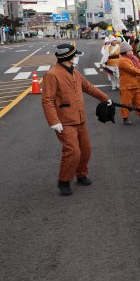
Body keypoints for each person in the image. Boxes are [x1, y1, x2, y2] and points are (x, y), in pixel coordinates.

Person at [41, 44, 111, 196]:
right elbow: (47, 100)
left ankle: (81, 174)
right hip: (64, 120)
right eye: (75, 55)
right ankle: (64, 180)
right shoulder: (52, 75)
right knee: (72, 151)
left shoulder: (75, 72)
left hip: (80, 118)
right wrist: (53, 121)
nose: (77, 57)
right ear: (68, 57)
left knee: (86, 150)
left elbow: (89, 88)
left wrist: (105, 98)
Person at [117, 41, 140, 125]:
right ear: (124, 52)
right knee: (126, 103)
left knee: (139, 102)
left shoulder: (133, 59)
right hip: (127, 85)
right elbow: (133, 70)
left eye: (131, 50)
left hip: (136, 84)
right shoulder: (123, 61)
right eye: (129, 51)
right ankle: (125, 118)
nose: (131, 52)